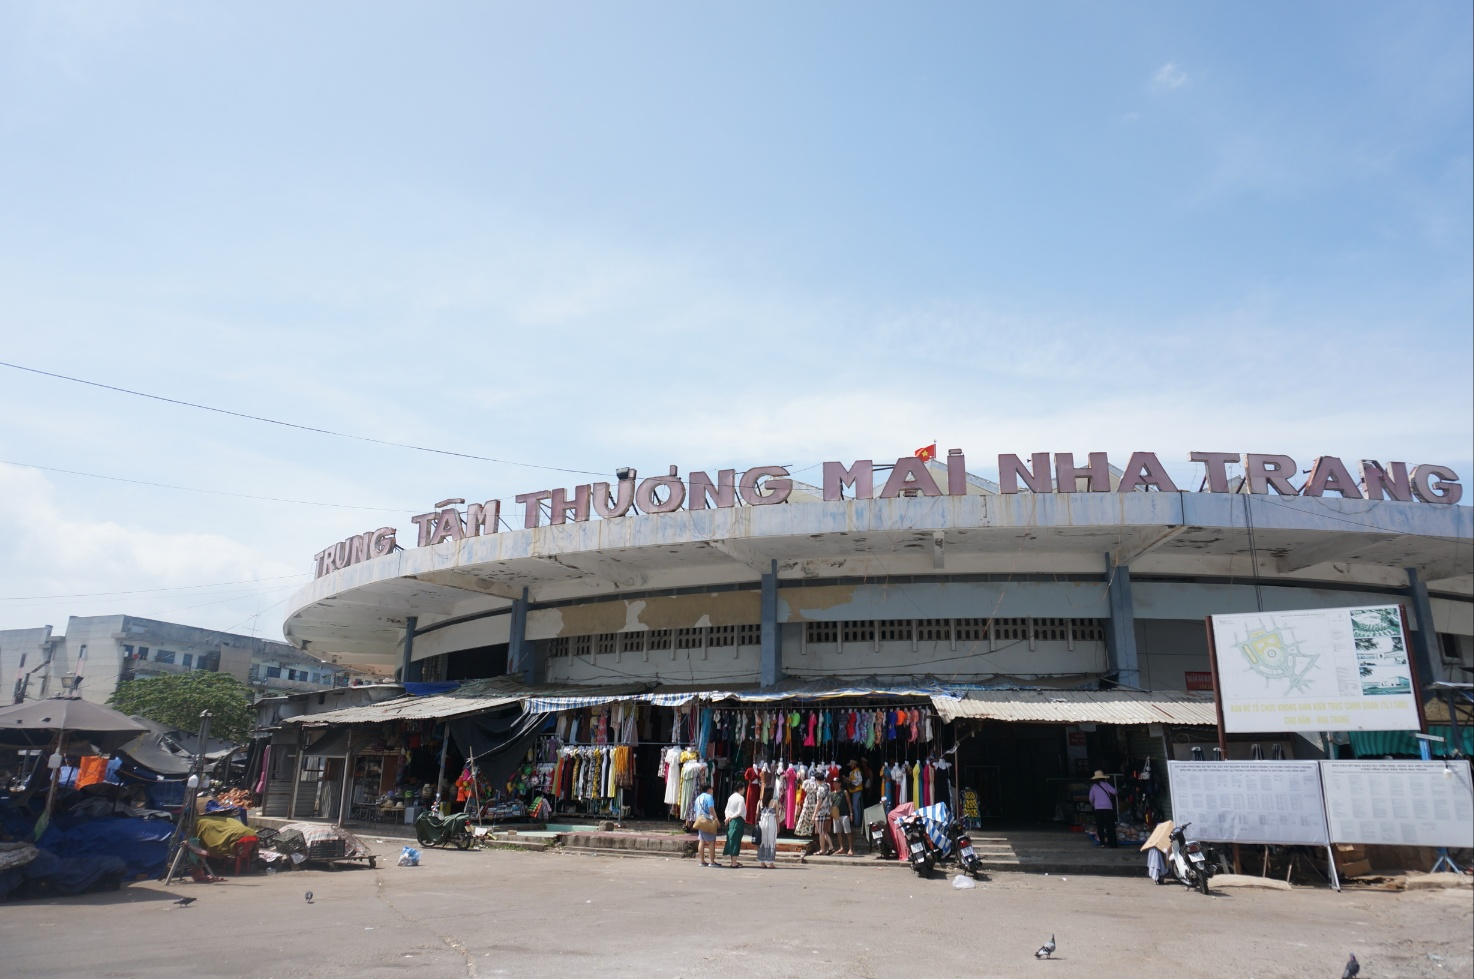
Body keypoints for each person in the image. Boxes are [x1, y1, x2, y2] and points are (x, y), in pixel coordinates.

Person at [694, 781, 722, 868]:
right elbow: (711, 809)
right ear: (709, 789)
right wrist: (716, 820)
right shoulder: (709, 797)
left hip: (700, 821)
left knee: (701, 840)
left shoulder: (698, 798)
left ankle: (702, 861)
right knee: (711, 841)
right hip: (708, 821)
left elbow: (695, 810)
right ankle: (712, 861)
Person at [1088, 770, 1118, 848]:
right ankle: (1112, 844)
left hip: (1098, 809)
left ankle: (1102, 843)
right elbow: (1115, 792)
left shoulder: (1094, 787)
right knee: (1110, 826)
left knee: (1100, 826)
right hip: (1108, 808)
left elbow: (1091, 798)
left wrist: (1094, 804)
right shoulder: (1106, 785)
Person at [723, 786, 747, 868]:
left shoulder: (731, 797)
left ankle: (733, 861)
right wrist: (732, 817)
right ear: (740, 789)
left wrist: (728, 817)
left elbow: (726, 810)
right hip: (737, 820)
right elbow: (740, 812)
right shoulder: (741, 798)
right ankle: (734, 862)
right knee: (736, 841)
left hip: (731, 821)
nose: (744, 790)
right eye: (743, 789)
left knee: (731, 839)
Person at [831, 773, 854, 856]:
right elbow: (832, 805)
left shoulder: (844, 792)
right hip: (836, 816)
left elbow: (849, 803)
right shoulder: (832, 794)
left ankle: (851, 848)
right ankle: (842, 848)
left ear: (840, 784)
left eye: (836, 783)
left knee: (848, 832)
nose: (834, 784)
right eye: (833, 783)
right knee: (838, 832)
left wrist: (851, 813)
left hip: (844, 815)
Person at [845, 759, 864, 825]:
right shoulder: (852, 772)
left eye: (851, 765)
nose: (851, 766)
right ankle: (857, 822)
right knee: (857, 807)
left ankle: (856, 822)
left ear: (855, 765)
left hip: (857, 790)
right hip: (854, 791)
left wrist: (851, 782)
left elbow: (859, 781)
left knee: (854, 806)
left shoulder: (857, 771)